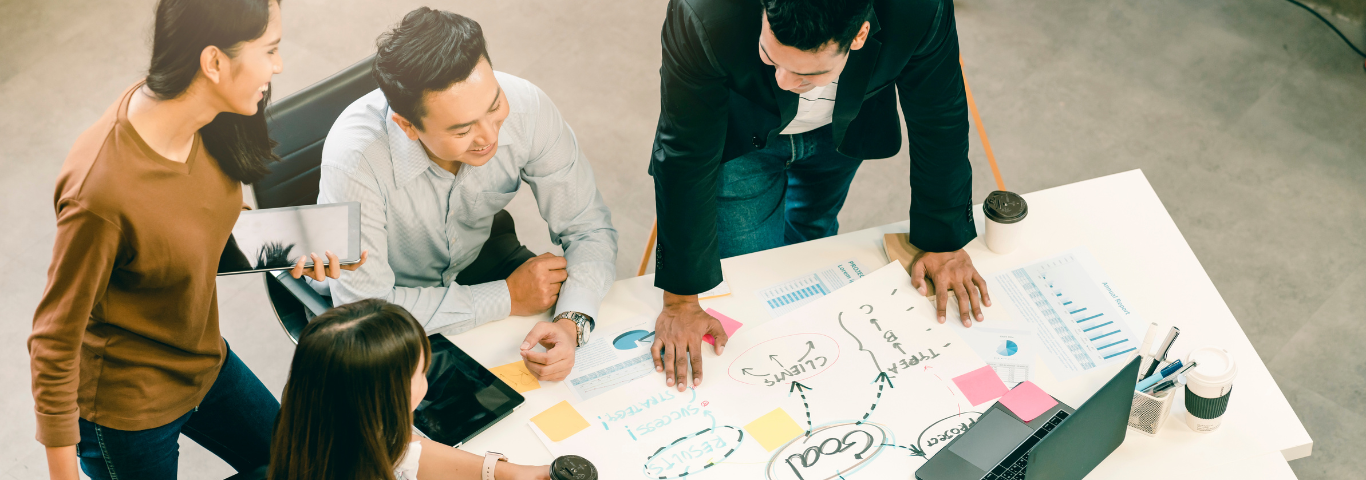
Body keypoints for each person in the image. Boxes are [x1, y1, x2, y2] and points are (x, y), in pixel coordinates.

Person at [27, 1, 361, 478]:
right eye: (269, 50)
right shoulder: (98, 194)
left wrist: (290, 249)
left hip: (203, 361)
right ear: (214, 61)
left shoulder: (211, 119)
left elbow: (193, 225)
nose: (279, 65)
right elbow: (53, 343)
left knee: (303, 465)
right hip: (129, 407)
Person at [648, 0, 994, 391]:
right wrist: (680, 300)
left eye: (807, 73)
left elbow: (939, 114)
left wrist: (944, 243)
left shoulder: (917, 8)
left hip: (842, 131)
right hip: (744, 132)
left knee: (813, 229)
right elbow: (684, 153)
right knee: (750, 278)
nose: (782, 79)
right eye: (770, 55)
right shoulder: (704, 10)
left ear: (860, 34)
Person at [319, 8, 618, 382]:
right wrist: (505, 297)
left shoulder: (527, 107)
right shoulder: (354, 162)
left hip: (475, 256)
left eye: (494, 107)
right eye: (462, 131)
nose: (490, 136)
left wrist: (571, 322)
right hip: (393, 301)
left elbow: (588, 227)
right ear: (408, 126)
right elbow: (366, 312)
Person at [269, 298, 554, 480]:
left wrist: (506, 473)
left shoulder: (321, 423)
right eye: (421, 373)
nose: (427, 380)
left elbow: (404, 448)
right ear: (388, 398)